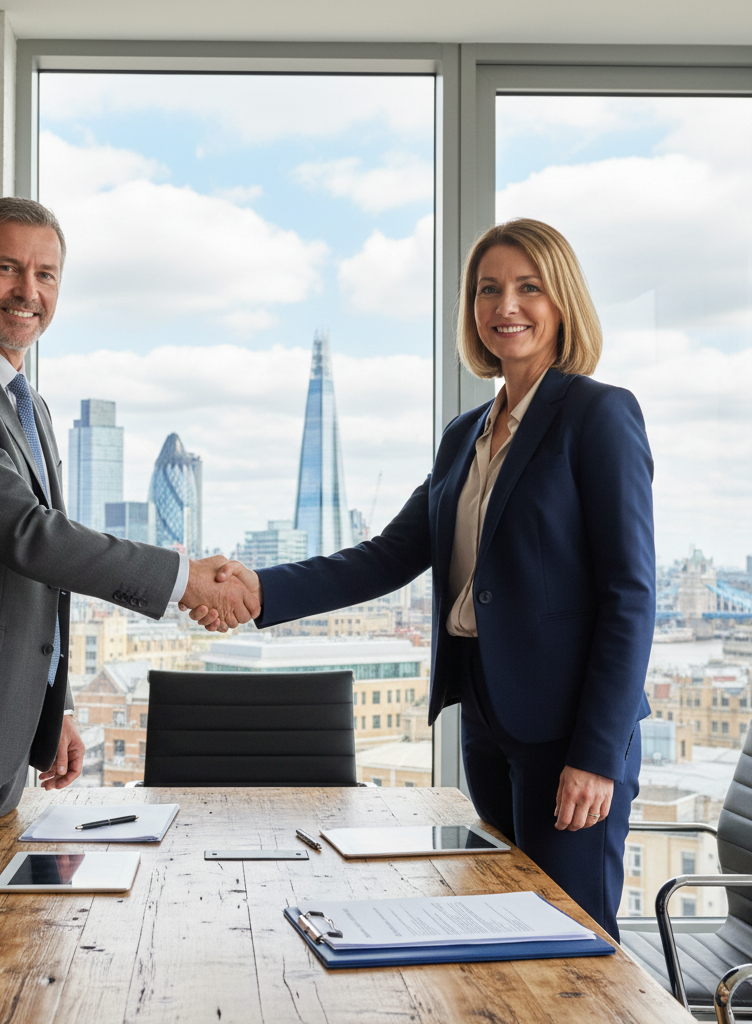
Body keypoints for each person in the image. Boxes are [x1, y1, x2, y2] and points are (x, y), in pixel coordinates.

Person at [194, 219, 654, 940]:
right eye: (488, 289)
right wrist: (259, 590)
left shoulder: (598, 415)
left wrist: (595, 756)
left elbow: (630, 596)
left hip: (570, 730)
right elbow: (387, 556)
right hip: (488, 716)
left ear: (562, 301)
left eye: (528, 288)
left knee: (572, 935)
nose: (506, 306)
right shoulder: (464, 434)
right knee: (505, 923)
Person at [0, 197, 257, 947]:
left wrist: (52, 703)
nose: (27, 290)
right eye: (7, 268)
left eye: (46, 274)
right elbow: (28, 536)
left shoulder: (23, 403)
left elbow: (34, 581)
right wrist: (182, 578)